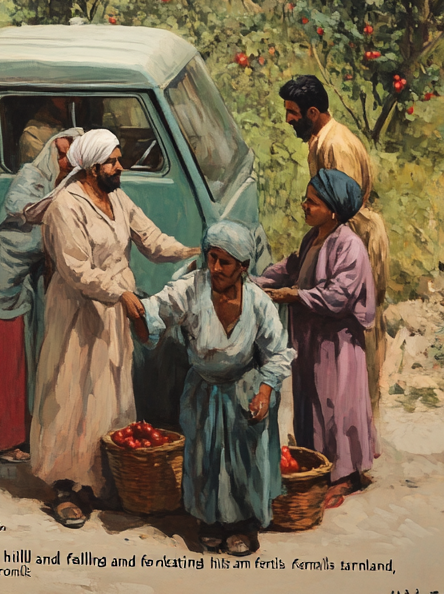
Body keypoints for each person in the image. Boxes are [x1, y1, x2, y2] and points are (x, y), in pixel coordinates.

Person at [27, 129, 200, 527]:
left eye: (119, 159)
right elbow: (76, 270)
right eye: (113, 161)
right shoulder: (65, 207)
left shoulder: (117, 197)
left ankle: (100, 480)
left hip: (112, 309)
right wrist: (120, 294)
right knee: (73, 393)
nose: (120, 167)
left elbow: (150, 239)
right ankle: (66, 486)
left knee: (107, 391)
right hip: (77, 311)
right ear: (90, 167)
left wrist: (193, 251)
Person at [125, 221, 294, 556]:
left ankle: (244, 525)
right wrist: (138, 312)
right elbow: (158, 309)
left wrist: (264, 392)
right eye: (211, 257)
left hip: (245, 389)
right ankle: (210, 523)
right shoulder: (192, 288)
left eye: (224, 261)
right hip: (203, 390)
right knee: (206, 457)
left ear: (243, 267)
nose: (215, 267)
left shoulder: (258, 301)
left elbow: (278, 352)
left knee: (244, 461)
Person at [257, 169, 378, 509]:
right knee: (311, 400)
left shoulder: (350, 246)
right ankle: (319, 464)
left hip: (337, 343)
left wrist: (294, 296)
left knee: (337, 404)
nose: (304, 206)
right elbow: (290, 267)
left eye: (312, 202)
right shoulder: (314, 238)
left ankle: (345, 475)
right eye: (306, 200)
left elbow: (339, 297)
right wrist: (260, 281)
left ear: (334, 210)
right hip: (311, 339)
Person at [0, 128, 82, 462]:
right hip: (1, 292)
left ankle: (15, 437)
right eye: (61, 154)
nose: (64, 162)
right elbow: (27, 224)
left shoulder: (59, 186)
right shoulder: (31, 178)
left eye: (70, 157)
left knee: (18, 370)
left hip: (19, 294)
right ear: (50, 153)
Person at [279, 75, 390, 419]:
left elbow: (344, 207)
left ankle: (354, 432)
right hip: (341, 241)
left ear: (313, 111)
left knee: (354, 338)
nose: (289, 120)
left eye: (294, 113)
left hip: (357, 242)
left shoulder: (336, 146)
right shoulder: (320, 140)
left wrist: (325, 254)